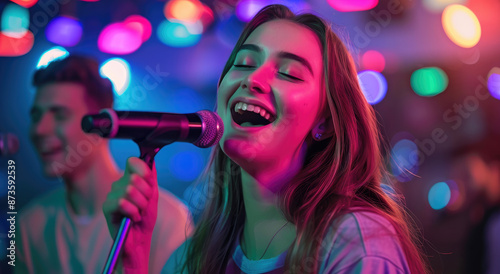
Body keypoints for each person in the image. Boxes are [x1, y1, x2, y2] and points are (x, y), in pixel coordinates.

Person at [103, 5, 427, 273]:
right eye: (243, 64)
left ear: (325, 123)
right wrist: (131, 259)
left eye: (288, 72)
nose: (253, 79)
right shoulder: (193, 258)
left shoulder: (357, 243)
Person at [17, 55, 193, 274]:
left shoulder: (169, 219)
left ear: (103, 125)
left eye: (59, 115)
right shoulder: (28, 225)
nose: (39, 130)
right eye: (36, 116)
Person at [450, 141, 500, 274]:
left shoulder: (494, 220)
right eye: (457, 176)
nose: (461, 183)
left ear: (493, 167)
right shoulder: (479, 214)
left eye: (466, 173)